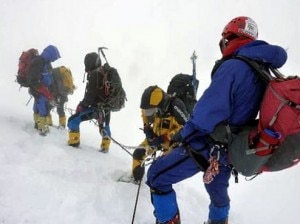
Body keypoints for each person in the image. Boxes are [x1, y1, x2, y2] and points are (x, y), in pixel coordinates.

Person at [146, 16, 287, 224]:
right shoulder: (261, 69)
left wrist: (181, 135)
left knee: (157, 176)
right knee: (218, 193)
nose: (223, 46)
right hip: (229, 150)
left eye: (224, 41)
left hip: (207, 145)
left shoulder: (234, 67)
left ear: (231, 36)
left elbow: (204, 115)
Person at [130, 85, 189, 183]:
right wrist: (147, 128)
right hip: (155, 138)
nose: (149, 113)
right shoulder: (152, 106)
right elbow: (144, 113)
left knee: (160, 168)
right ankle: (136, 180)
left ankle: (159, 188)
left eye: (151, 110)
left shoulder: (176, 106)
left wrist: (165, 138)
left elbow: (185, 127)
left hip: (172, 144)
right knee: (138, 154)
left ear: (159, 105)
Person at [67, 52, 113, 152]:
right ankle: (105, 147)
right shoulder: (103, 73)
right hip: (106, 109)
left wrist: (82, 105)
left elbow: (90, 95)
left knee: (72, 121)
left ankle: (74, 144)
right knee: (105, 127)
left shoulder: (95, 74)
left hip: (95, 108)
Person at [28, 45, 61, 136]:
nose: (54, 60)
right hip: (38, 89)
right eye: (54, 58)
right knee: (43, 107)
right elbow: (33, 79)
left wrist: (51, 91)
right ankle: (43, 128)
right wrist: (42, 90)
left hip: (42, 89)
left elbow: (50, 77)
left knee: (38, 105)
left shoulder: (46, 62)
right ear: (50, 54)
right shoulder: (39, 61)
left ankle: (37, 124)